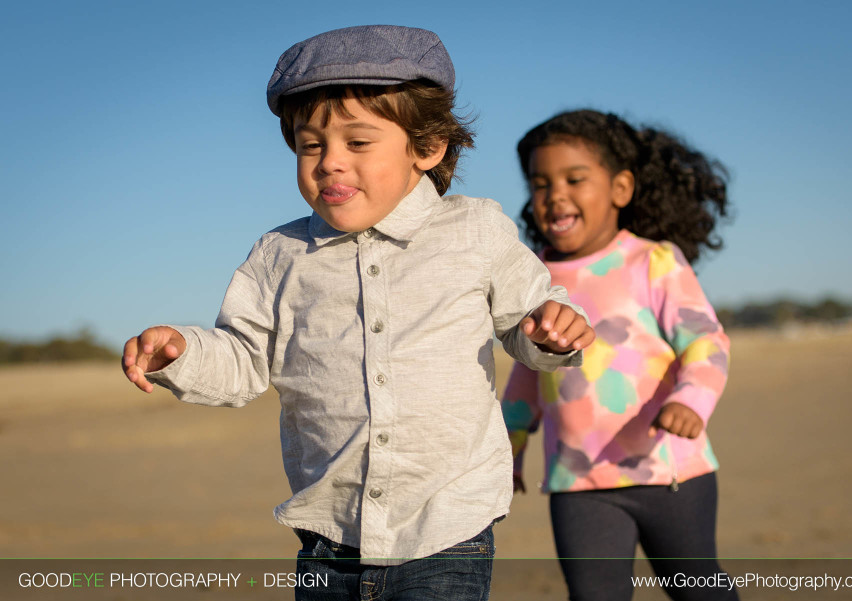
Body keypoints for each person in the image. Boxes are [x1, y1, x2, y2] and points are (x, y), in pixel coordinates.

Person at [120, 26, 594, 601]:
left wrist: (552, 328)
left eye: (358, 143)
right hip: (329, 534)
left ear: (427, 146)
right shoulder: (279, 255)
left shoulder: (475, 230)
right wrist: (185, 353)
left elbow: (526, 320)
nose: (329, 164)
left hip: (448, 528)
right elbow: (245, 359)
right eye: (310, 144)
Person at [502, 109, 737, 601]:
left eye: (574, 178)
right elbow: (528, 369)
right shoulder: (535, 280)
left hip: (669, 471)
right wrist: (510, 443)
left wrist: (692, 401)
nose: (554, 195)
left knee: (701, 592)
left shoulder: (653, 261)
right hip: (576, 480)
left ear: (621, 188)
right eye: (540, 183)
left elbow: (706, 341)